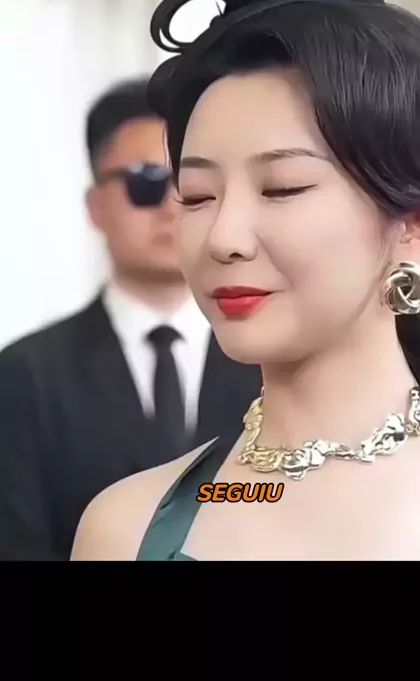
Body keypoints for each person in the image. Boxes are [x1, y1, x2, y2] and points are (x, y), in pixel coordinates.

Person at [71, 0, 420, 562]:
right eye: (198, 195)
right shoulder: (124, 530)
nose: (224, 237)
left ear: (417, 223)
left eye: (282, 188)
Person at [0, 78, 261, 560]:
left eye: (190, 187)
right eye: (146, 183)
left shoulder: (271, 360)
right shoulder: (25, 374)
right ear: (96, 206)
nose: (170, 208)